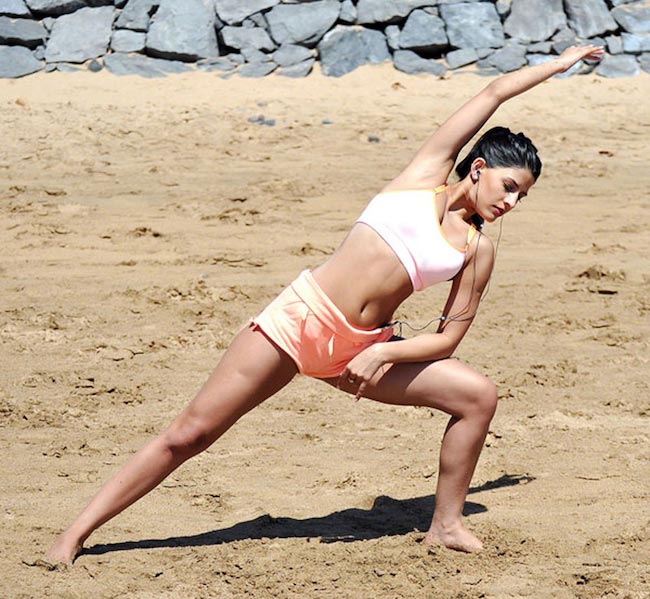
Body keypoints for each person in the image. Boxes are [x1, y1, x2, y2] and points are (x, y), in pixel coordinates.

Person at [46, 45, 603, 564]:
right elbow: (491, 96)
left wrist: (383, 355)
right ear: (478, 168)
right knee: (189, 434)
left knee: (478, 396)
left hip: (360, 351)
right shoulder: (424, 176)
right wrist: (559, 64)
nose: (511, 202)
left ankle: (447, 525)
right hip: (299, 321)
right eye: (508, 186)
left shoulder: (477, 249)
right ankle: (75, 534)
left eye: (521, 196)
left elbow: (448, 337)